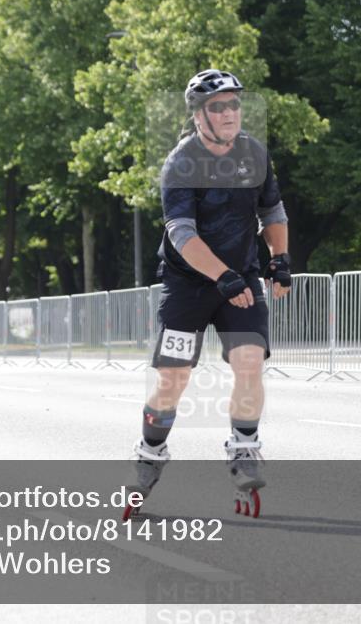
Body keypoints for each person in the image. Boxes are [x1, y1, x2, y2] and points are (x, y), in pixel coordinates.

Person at [127, 69, 291, 518]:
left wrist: (279, 259)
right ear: (199, 116)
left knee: (250, 359)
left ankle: (243, 449)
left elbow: (272, 209)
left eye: (234, 103)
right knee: (173, 378)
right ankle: (149, 454)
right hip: (190, 284)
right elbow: (181, 233)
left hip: (241, 276)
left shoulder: (253, 154)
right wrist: (223, 277)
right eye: (217, 106)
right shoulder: (181, 163)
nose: (229, 112)